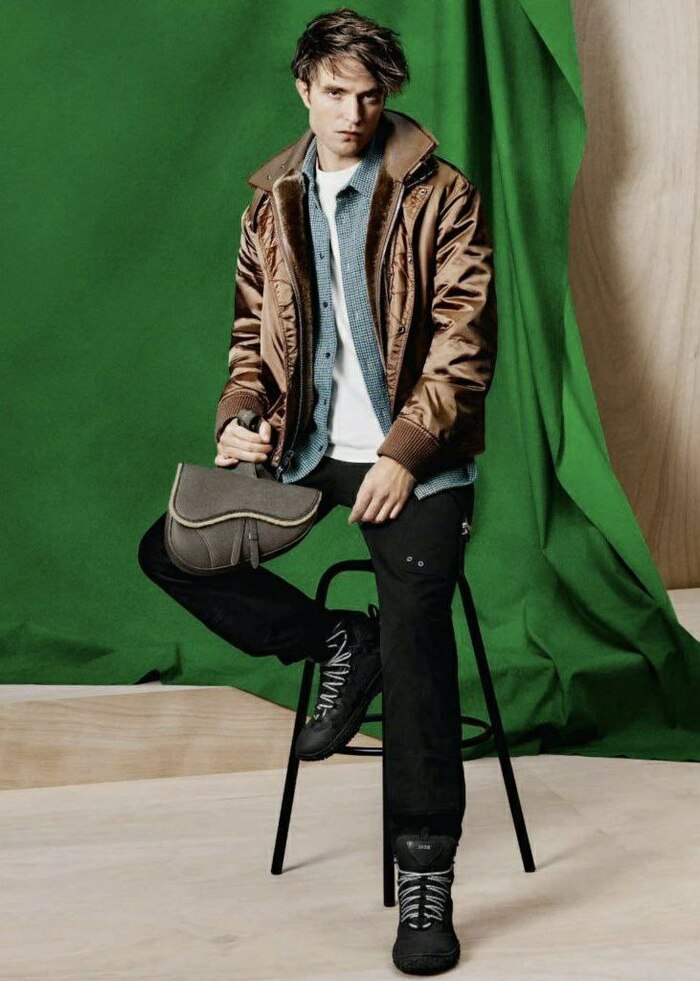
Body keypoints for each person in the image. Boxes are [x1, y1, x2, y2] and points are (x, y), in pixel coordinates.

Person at [138, 6, 497, 975]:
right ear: (304, 89)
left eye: (370, 95)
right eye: (336, 92)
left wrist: (405, 454)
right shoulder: (271, 203)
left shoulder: (440, 194)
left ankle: (424, 869)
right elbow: (251, 340)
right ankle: (334, 641)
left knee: (416, 631)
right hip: (303, 450)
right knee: (171, 546)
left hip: (416, 458)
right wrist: (240, 413)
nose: (353, 111)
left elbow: (464, 346)